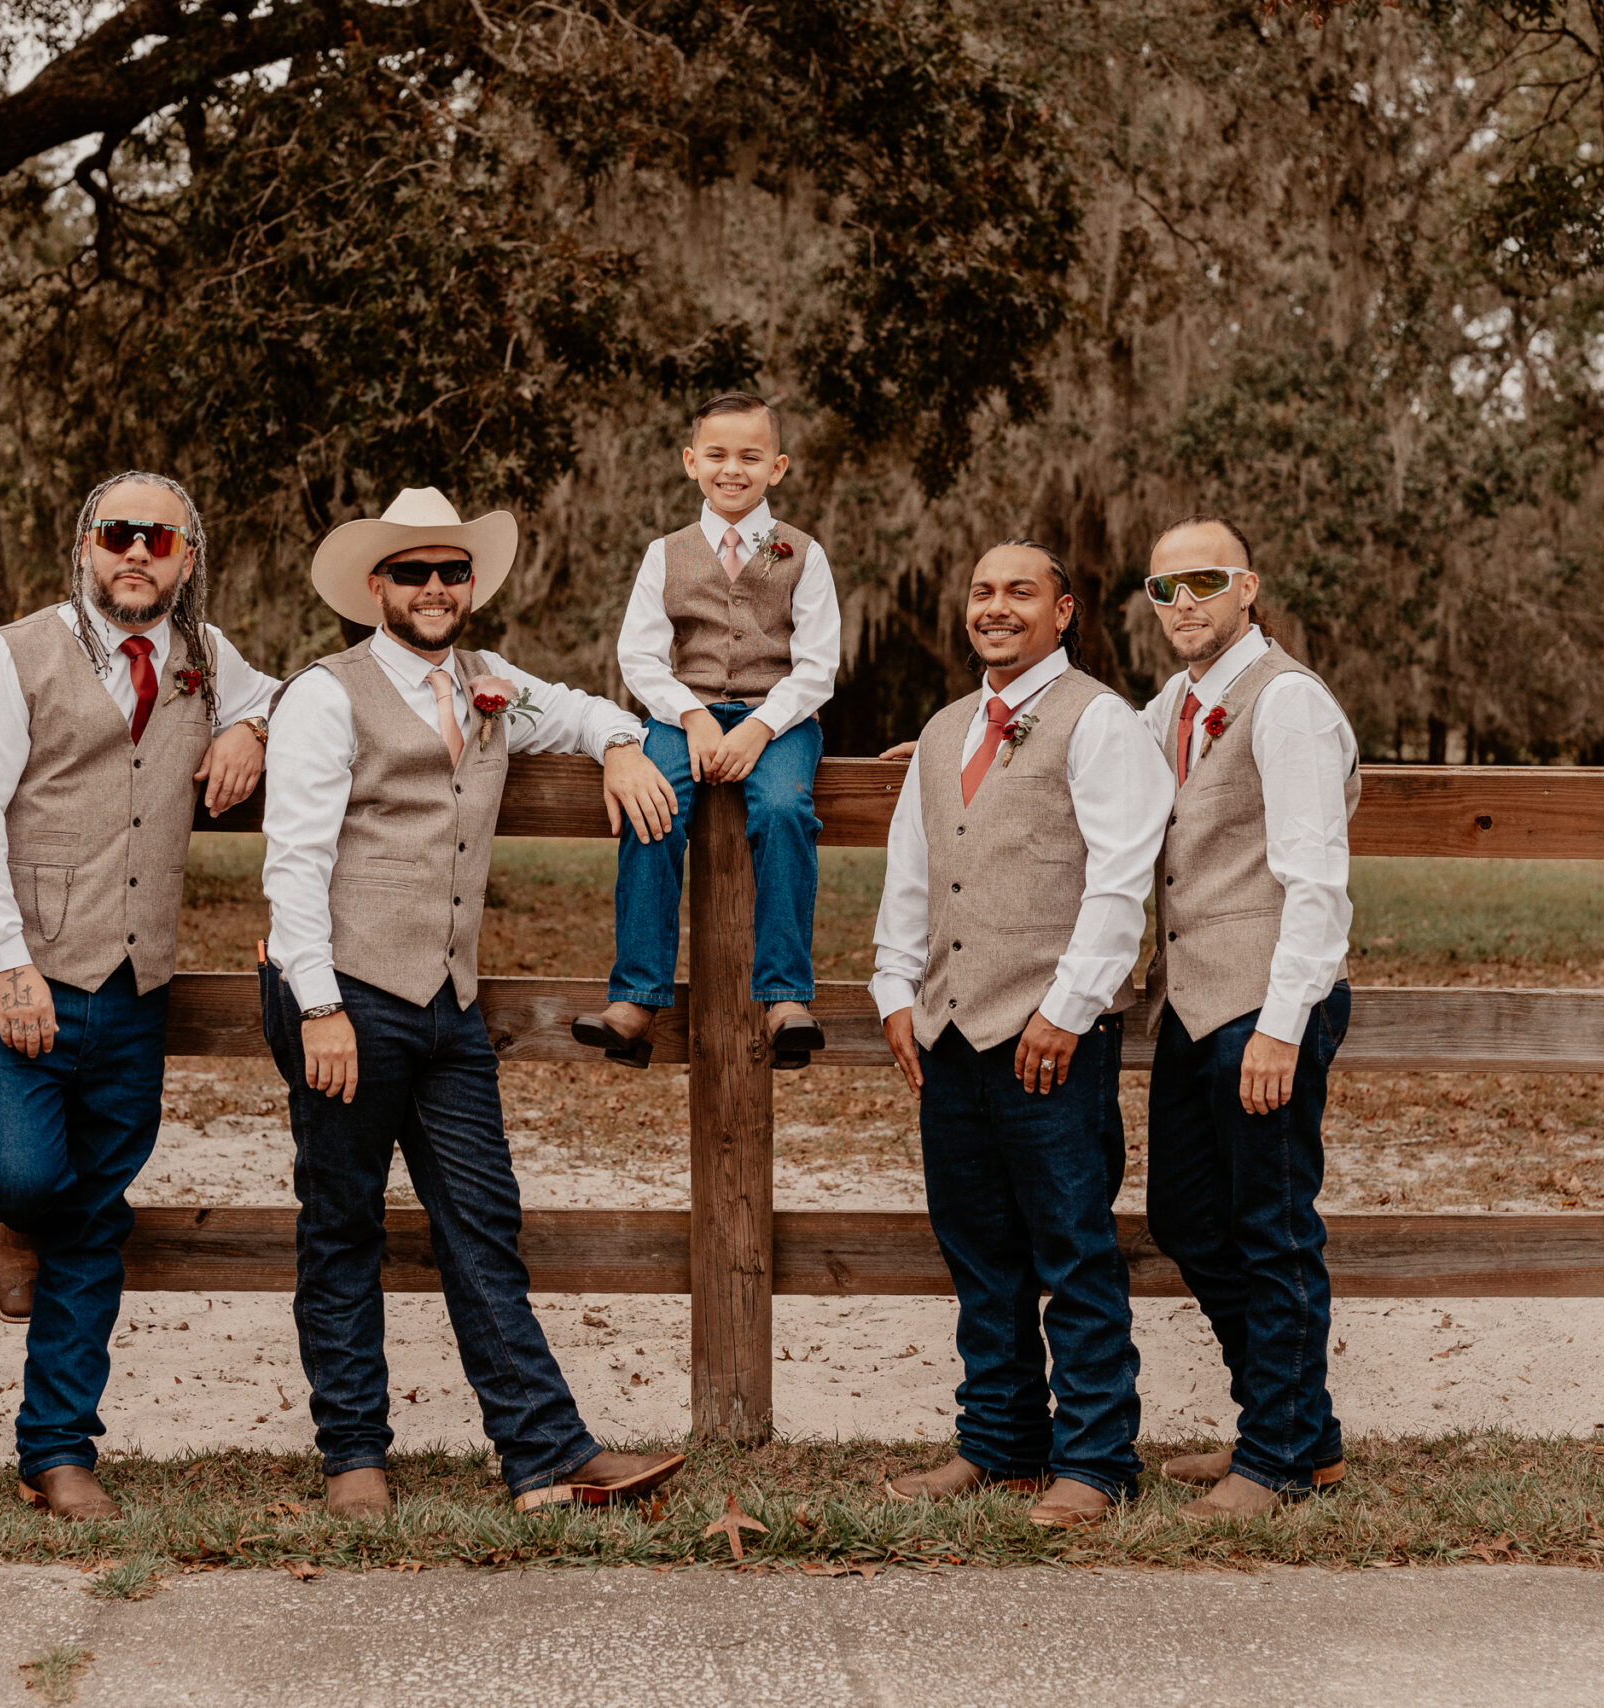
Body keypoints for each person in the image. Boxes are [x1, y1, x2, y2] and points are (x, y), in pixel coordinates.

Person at [259, 487, 688, 1516]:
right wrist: (318, 1006)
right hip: (344, 996)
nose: (436, 588)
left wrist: (623, 744)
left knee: (482, 1221)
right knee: (342, 1224)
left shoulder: (491, 682)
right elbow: (295, 859)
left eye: (452, 570)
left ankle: (541, 1454)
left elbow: (588, 712)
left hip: (447, 1001)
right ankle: (352, 1454)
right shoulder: (327, 693)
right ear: (378, 587)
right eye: (413, 572)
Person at [0, 472, 275, 1520]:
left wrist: (248, 730)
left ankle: (56, 1451)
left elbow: (292, 691)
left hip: (136, 984)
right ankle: (11, 1216)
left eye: (160, 538)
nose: (138, 552)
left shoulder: (207, 659)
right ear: (83, 547)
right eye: (116, 534)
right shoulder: (11, 655)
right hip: (20, 969)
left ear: (187, 556)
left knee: (94, 1216)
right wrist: (5, 958)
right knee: (29, 1175)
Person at [869, 540, 1171, 1528]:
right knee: (978, 1247)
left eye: (1019, 592)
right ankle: (998, 1444)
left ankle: (1094, 1458)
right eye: (983, 592)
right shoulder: (945, 726)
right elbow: (913, 873)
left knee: (1072, 1246)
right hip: (950, 1027)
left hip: (1051, 1031)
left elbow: (1120, 878)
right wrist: (891, 989)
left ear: (1063, 609)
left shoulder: (1099, 722)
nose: (996, 607)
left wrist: (1066, 1006)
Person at [1136, 515, 1360, 1518]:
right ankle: (1301, 1430)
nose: (1182, 603)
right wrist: (949, 741)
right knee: (1183, 1215)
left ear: (1247, 588)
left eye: (1203, 581)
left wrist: (1279, 1022)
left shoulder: (1287, 703)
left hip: (1262, 1003)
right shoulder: (1179, 702)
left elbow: (1316, 878)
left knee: (1269, 1228)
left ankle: (1271, 1455)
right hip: (1190, 1004)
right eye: (1162, 588)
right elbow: (1085, 758)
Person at [572, 391, 841, 1068]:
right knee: (651, 808)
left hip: (779, 718)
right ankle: (636, 997)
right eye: (717, 455)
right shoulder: (665, 554)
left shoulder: (803, 555)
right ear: (692, 462)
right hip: (679, 713)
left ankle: (784, 997)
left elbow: (818, 666)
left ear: (776, 467)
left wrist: (759, 729)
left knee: (783, 810)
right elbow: (637, 656)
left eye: (750, 456)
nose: (733, 469)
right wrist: (689, 714)